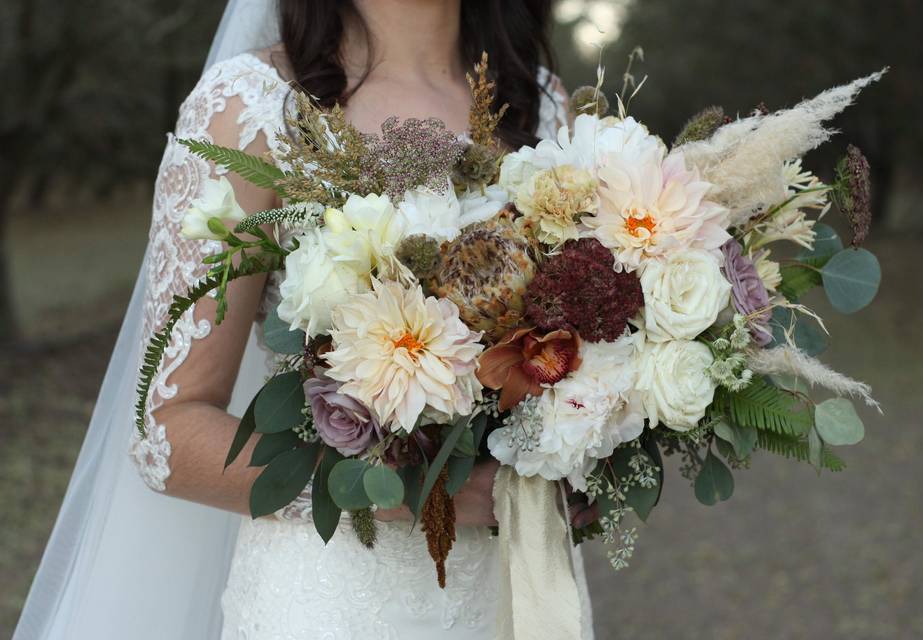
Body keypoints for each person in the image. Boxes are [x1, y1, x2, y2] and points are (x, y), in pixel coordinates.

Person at [15, 0, 594, 638]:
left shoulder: (543, 103)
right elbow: (167, 438)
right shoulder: (251, 107)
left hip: (523, 588)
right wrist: (423, 491)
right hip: (336, 599)